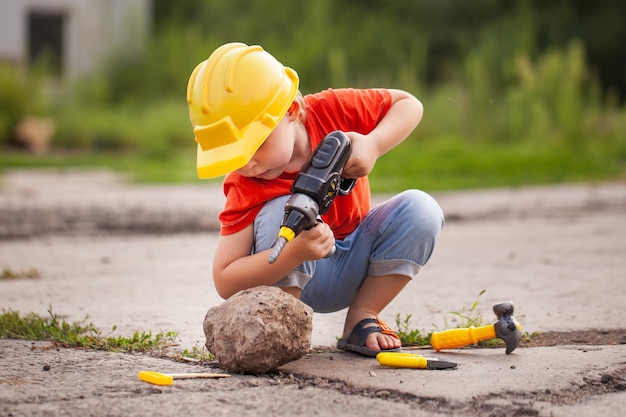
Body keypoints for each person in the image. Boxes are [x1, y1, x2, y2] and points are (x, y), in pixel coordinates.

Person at [187, 42, 444, 357]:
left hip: (355, 261)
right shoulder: (245, 183)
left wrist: (373, 144)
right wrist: (293, 253)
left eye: (253, 146)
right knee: (281, 209)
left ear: (291, 111)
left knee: (421, 210)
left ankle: (362, 317)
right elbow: (225, 278)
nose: (247, 164)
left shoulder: (332, 110)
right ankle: (284, 328)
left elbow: (409, 104)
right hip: (294, 278)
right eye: (232, 156)